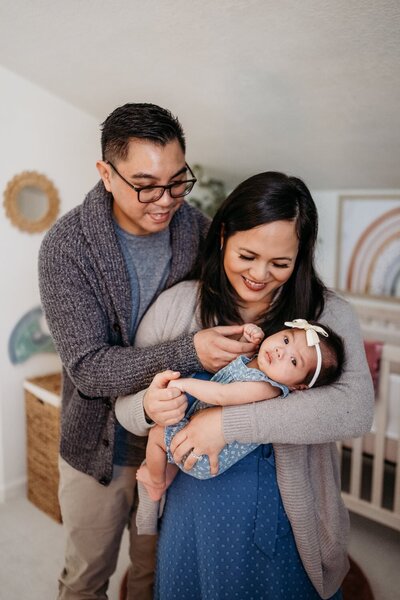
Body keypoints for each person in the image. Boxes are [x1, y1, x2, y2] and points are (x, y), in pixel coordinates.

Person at [115, 171, 374, 600]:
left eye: (280, 263)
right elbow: (124, 407)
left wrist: (228, 424)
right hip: (190, 521)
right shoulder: (177, 306)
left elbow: (354, 410)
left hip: (287, 521)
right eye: (247, 255)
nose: (259, 275)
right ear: (221, 237)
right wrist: (148, 405)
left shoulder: (327, 316)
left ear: (301, 257)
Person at [38, 103, 257, 600]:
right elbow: (90, 370)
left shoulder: (199, 232)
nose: (165, 200)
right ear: (106, 174)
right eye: (146, 185)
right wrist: (191, 352)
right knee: (85, 577)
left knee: (156, 574)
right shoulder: (66, 248)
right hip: (98, 446)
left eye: (179, 181)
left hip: (178, 439)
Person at [136, 319, 344, 507]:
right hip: (200, 433)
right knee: (171, 429)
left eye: (294, 361)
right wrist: (246, 339)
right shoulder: (258, 364)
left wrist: (184, 384)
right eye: (287, 340)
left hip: (205, 456)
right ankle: (169, 467)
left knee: (157, 434)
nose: (282, 351)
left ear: (299, 386)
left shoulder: (267, 387)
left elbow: (222, 394)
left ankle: (156, 482)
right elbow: (232, 369)